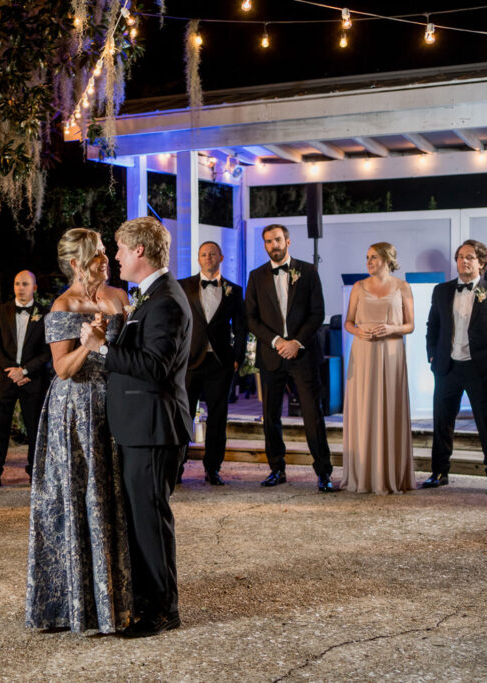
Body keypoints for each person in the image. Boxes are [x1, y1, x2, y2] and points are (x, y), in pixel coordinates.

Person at [81, 216, 192, 638]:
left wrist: (102, 349)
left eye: (121, 250)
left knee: (150, 523)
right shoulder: (150, 296)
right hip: (139, 427)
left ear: (140, 251)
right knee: (141, 521)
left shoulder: (165, 300)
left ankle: (162, 611)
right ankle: (147, 602)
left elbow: (156, 367)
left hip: (152, 429)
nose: (116, 258)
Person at [25, 228, 132, 634]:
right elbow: (63, 369)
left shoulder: (119, 298)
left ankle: (118, 596)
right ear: (76, 264)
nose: (106, 261)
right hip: (77, 412)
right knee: (81, 497)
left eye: (106, 254)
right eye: (97, 257)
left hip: (118, 403)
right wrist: (90, 344)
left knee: (114, 496)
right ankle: (80, 604)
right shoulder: (63, 306)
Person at [244, 224, 337, 492]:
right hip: (271, 355)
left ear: (288, 241)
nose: (273, 245)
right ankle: (277, 469)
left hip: (303, 354)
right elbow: (250, 317)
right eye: (268, 241)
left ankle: (323, 472)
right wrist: (276, 342)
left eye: (277, 240)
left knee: (312, 413)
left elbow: (317, 313)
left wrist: (296, 342)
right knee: (270, 414)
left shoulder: (308, 272)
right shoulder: (256, 276)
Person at [425, 239, 487, 495]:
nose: (464, 261)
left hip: (479, 370)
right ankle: (439, 472)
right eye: (461, 256)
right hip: (447, 367)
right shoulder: (441, 291)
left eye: (470, 257)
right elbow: (433, 326)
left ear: (482, 263)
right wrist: (432, 356)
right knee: (442, 422)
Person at [342, 243, 416, 494]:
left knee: (390, 406)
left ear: (387, 259)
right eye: (367, 257)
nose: (369, 261)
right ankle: (363, 474)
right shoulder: (358, 287)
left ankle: (392, 474)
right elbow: (348, 322)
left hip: (392, 352)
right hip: (363, 352)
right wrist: (358, 330)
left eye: (373, 257)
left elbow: (410, 325)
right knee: (364, 407)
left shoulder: (403, 287)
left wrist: (391, 329)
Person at [178, 241, 247, 486]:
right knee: (183, 415)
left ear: (221, 257)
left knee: (218, 417)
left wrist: (237, 357)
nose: (208, 258)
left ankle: (213, 468)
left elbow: (241, 328)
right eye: (204, 254)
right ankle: (177, 466)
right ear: (198, 259)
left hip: (220, 363)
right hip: (190, 361)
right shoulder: (183, 286)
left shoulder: (234, 290)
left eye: (212, 254)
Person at [0, 270, 51, 490]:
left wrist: (26, 371)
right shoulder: (0, 312)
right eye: (17, 283)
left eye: (26, 284)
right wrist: (12, 371)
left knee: (34, 430)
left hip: (33, 380)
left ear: (34, 288)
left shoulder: (45, 314)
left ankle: (35, 475)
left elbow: (48, 351)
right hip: (5, 377)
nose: (21, 288)